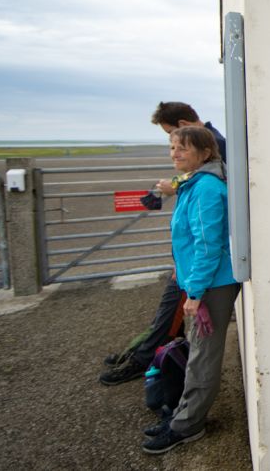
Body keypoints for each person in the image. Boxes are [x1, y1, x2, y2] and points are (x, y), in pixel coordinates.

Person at [98, 102, 227, 386]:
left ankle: (145, 360)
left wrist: (176, 186)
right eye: (172, 146)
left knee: (172, 311)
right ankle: (146, 354)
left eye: (173, 137)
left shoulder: (213, 145)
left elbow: (216, 191)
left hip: (201, 263)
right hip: (190, 259)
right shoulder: (208, 146)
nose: (174, 151)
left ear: (183, 124)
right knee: (169, 311)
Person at [143, 126, 240, 454]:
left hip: (212, 284)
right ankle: (183, 414)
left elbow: (208, 244)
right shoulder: (192, 184)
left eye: (182, 148)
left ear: (205, 153)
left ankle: (187, 425)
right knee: (199, 351)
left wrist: (195, 292)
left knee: (202, 356)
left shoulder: (207, 188)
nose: (175, 154)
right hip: (201, 281)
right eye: (172, 148)